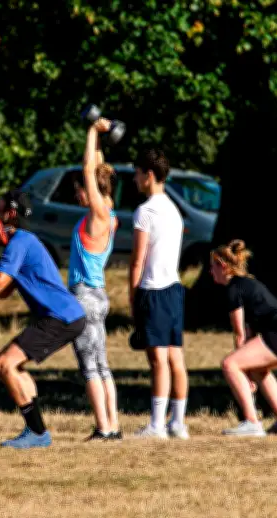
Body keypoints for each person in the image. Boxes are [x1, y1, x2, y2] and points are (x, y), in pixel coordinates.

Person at [0, 189, 86, 449]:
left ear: (10, 214)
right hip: (63, 315)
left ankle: (37, 433)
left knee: (5, 363)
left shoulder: (20, 243)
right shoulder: (22, 241)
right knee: (14, 366)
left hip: (60, 316)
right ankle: (36, 431)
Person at [209, 239, 277, 437]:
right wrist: (248, 369)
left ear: (223, 267)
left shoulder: (232, 289)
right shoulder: (247, 284)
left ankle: (252, 422)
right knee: (259, 369)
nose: (210, 271)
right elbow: (251, 333)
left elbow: (240, 334)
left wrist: (242, 371)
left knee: (230, 364)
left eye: (212, 267)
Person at [67, 117, 121, 441]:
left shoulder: (99, 215)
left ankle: (103, 428)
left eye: (81, 191)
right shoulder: (110, 210)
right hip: (98, 295)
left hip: (85, 296)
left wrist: (90, 130)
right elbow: (96, 169)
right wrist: (99, 139)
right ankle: (112, 425)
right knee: (102, 365)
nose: (78, 195)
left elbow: (89, 171)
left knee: (90, 367)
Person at [129, 147, 189, 439]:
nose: (135, 179)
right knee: (175, 358)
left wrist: (132, 296)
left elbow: (138, 259)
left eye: (138, 174)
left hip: (153, 290)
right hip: (174, 290)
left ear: (148, 175)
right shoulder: (174, 210)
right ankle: (177, 423)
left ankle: (156, 425)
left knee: (158, 360)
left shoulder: (146, 211)